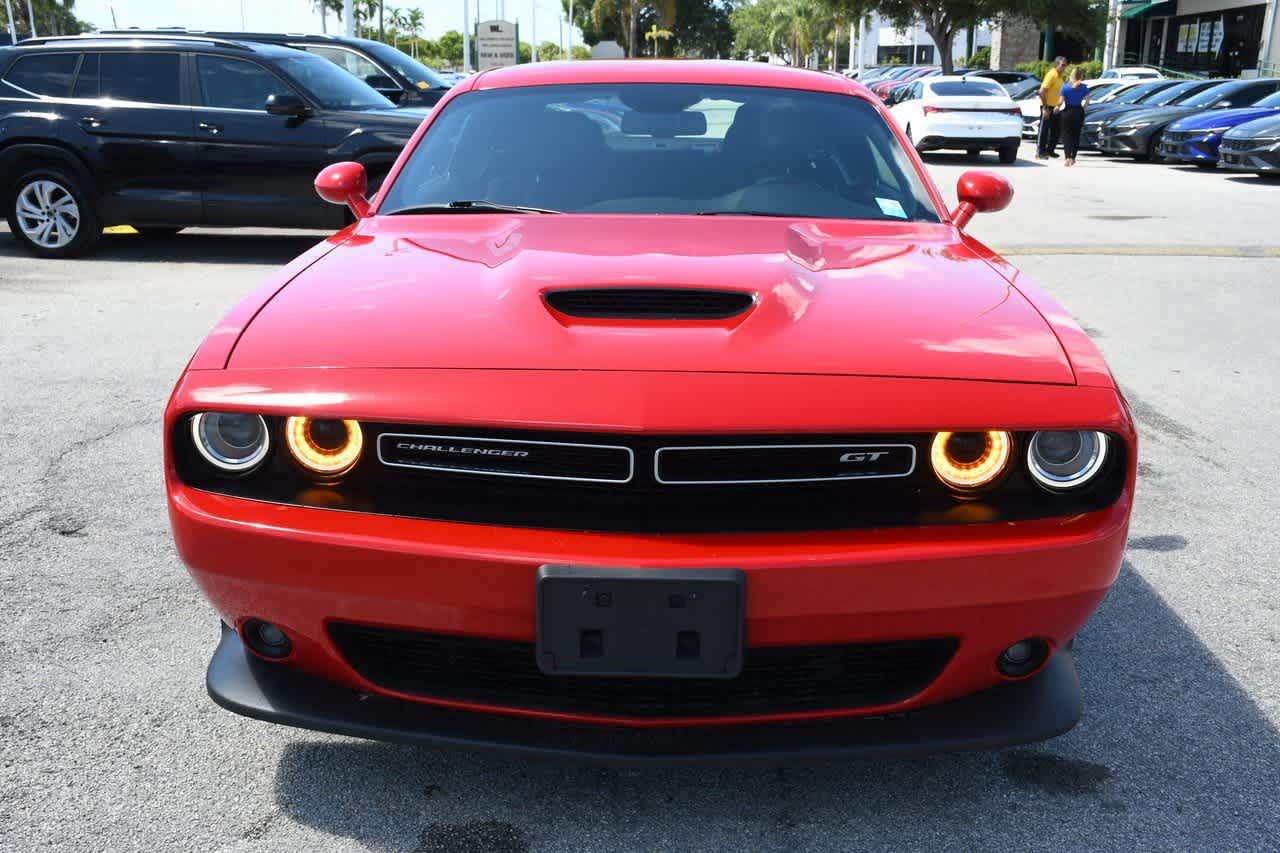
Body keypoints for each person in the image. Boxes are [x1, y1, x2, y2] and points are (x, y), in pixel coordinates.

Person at [1057, 67, 1091, 167]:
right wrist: (1083, 108)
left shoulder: (1065, 87)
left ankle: (1067, 157)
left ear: (1071, 75)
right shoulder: (1084, 87)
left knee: (1066, 135)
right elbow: (1088, 101)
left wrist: (1057, 107)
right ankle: (1073, 158)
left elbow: (1060, 102)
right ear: (1081, 76)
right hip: (1078, 111)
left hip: (1067, 112)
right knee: (1076, 135)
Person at [1036, 56, 1067, 160]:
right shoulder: (1051, 74)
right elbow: (1041, 91)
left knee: (1056, 130)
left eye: (1065, 65)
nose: (1064, 67)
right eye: (1062, 65)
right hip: (1047, 106)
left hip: (1055, 107)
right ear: (1056, 64)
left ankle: (1050, 150)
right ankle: (1040, 152)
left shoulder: (1060, 76)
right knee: (1044, 130)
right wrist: (1045, 108)